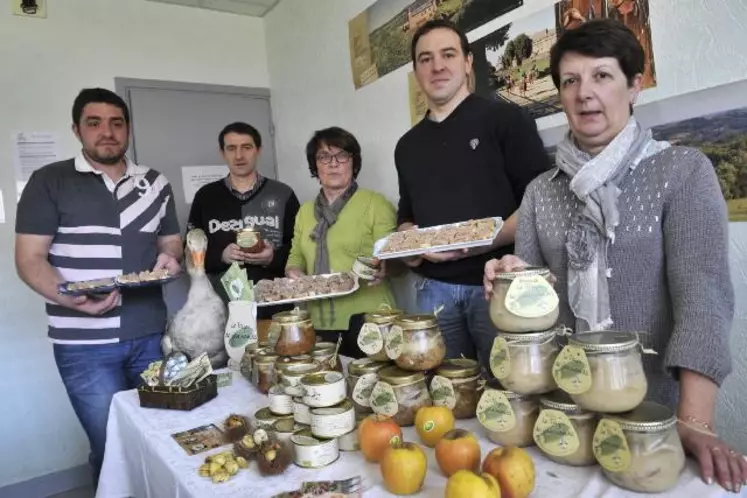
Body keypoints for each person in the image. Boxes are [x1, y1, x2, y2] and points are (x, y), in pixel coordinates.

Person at [483, 19, 746, 492]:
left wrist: (696, 420)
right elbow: (532, 304)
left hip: (650, 422)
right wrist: (508, 281)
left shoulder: (681, 172)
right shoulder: (541, 192)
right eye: (571, 80)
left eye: (602, 75)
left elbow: (703, 301)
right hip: (562, 415)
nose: (585, 93)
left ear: (634, 86)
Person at [14, 88, 183, 485]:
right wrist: (74, 303)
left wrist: (170, 257)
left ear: (127, 129)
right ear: (77, 130)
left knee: (165, 435)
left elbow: (169, 240)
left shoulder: (155, 183)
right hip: (83, 344)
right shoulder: (49, 180)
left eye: (116, 123)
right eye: (94, 123)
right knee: (111, 447)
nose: (107, 132)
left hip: (150, 335)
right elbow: (29, 259)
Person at [394, 19, 551, 369]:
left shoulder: (507, 120)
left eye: (448, 54)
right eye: (426, 58)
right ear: (417, 71)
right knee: (447, 393)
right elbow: (406, 217)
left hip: (499, 286)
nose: (437, 66)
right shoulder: (406, 147)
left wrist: (485, 242)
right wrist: (415, 245)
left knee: (511, 392)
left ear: (467, 62)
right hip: (431, 292)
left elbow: (541, 204)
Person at [286, 127, 396, 358]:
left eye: (341, 156)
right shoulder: (305, 212)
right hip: (317, 320)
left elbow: (393, 257)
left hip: (368, 318)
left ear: (353, 162)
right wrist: (294, 272)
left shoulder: (376, 204)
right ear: (315, 165)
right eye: (324, 157)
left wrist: (384, 266)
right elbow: (296, 254)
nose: (333, 164)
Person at [187, 122, 300, 320]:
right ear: (223, 153)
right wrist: (220, 256)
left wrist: (272, 258)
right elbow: (189, 251)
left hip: (275, 306)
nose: (239, 156)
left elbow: (300, 248)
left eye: (246, 147)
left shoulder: (283, 194)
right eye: (231, 148)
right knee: (229, 352)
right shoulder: (206, 197)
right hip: (221, 309)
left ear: (258, 150)